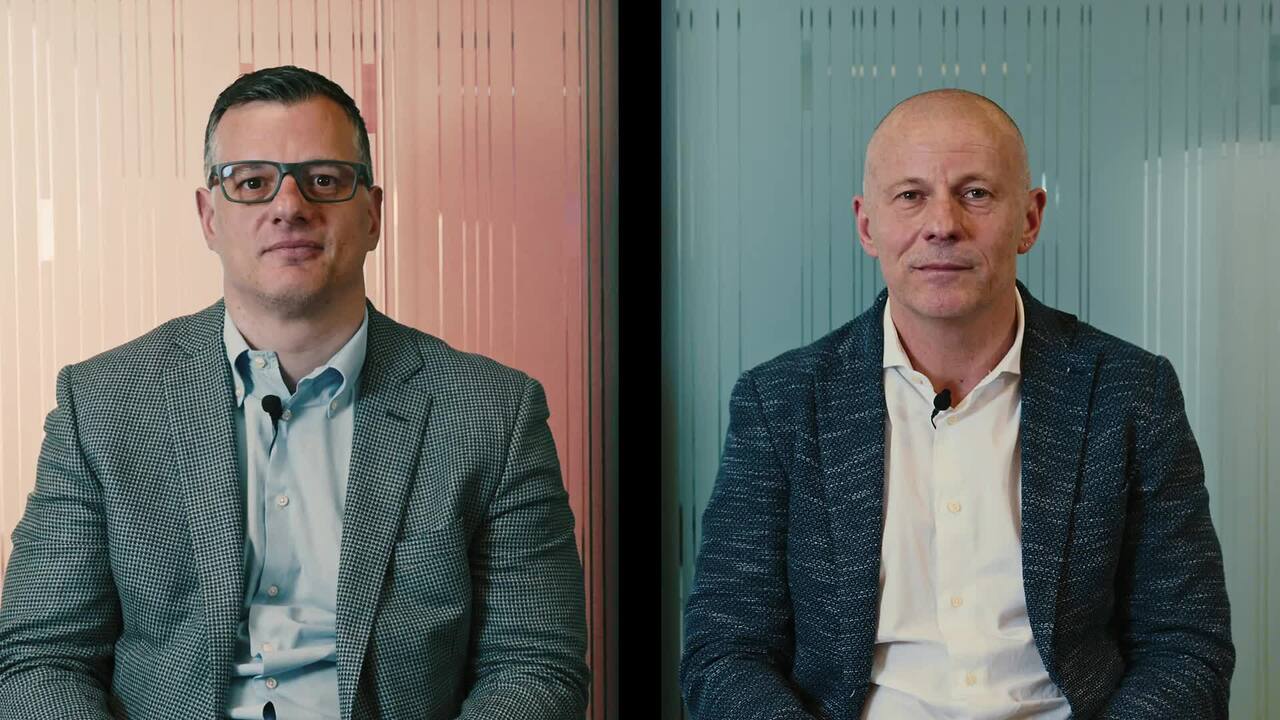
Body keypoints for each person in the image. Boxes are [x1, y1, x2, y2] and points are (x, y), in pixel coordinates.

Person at [0, 65, 589, 720]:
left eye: (324, 180)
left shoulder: (493, 413)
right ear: (209, 217)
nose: (289, 206)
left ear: (372, 214)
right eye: (252, 182)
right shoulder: (102, 405)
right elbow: (42, 659)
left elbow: (535, 666)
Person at [680, 89, 1233, 719]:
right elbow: (725, 653)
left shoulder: (1129, 392)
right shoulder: (781, 404)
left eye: (975, 193)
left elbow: (1187, 647)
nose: (942, 224)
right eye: (910, 195)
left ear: (1030, 220)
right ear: (867, 225)